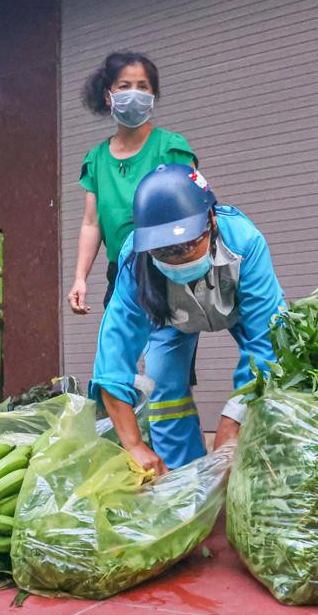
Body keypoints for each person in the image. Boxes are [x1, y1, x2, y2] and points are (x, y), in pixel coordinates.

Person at [91, 164, 285, 475]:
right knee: (165, 387)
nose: (178, 259)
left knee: (268, 380)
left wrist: (233, 420)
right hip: (169, 319)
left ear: (211, 220)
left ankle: (258, 472)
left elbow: (267, 341)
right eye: (165, 251)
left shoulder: (245, 243)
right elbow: (114, 357)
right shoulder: (134, 261)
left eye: (186, 246)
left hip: (236, 309)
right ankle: (186, 480)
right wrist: (134, 445)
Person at [68, 53, 207, 457]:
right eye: (125, 86)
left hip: (170, 269)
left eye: (143, 86)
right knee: (115, 373)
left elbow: (196, 207)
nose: (134, 94)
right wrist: (80, 277)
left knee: (167, 379)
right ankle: (131, 462)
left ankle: (186, 472)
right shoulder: (96, 159)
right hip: (124, 277)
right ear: (108, 95)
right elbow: (91, 223)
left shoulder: (171, 147)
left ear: (154, 94)